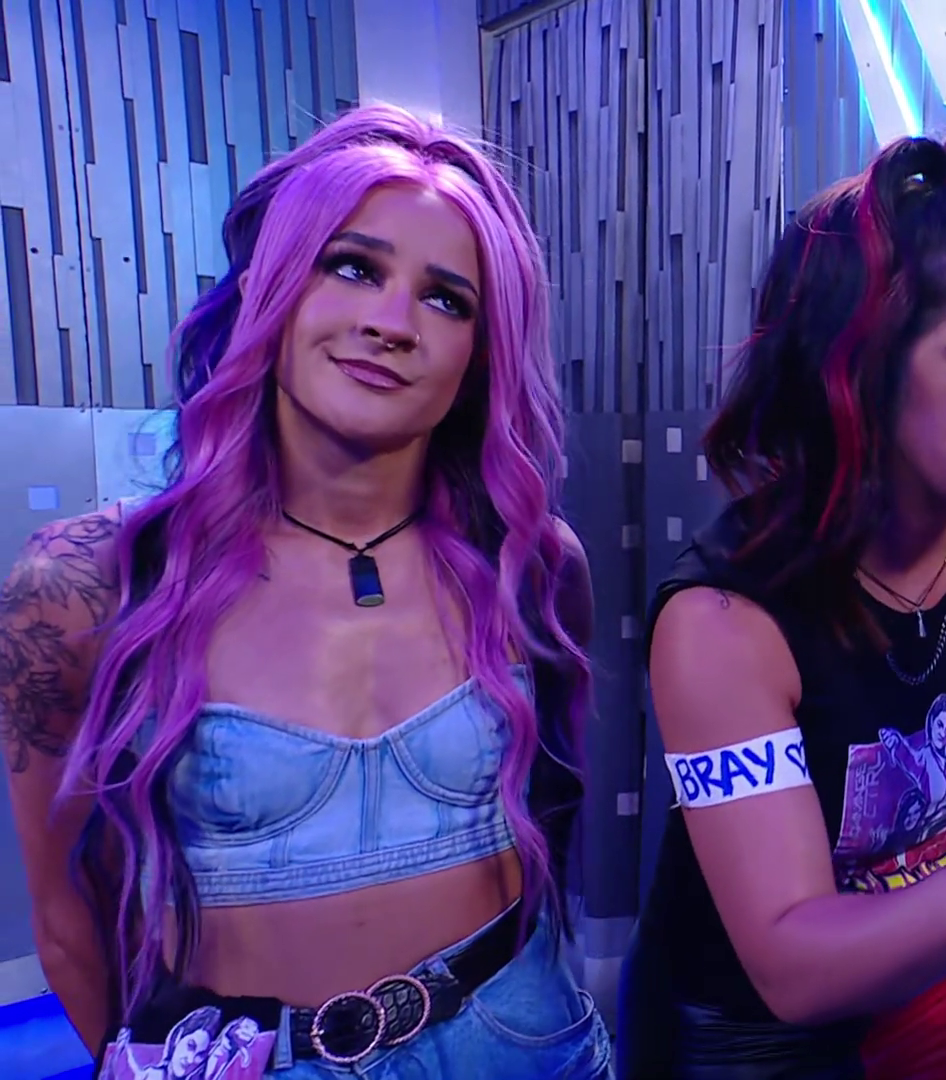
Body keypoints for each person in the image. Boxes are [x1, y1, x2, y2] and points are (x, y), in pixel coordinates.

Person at [0, 104, 610, 1078]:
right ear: (270, 287)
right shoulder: (84, 581)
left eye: (446, 299)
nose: (390, 323)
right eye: (353, 267)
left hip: (523, 1037)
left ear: (480, 355)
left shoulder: (532, 565)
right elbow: (68, 916)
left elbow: (556, 824)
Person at [621, 134, 946, 1080]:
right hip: (749, 1043)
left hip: (936, 985)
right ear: (856, 372)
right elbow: (790, 963)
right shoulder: (722, 623)